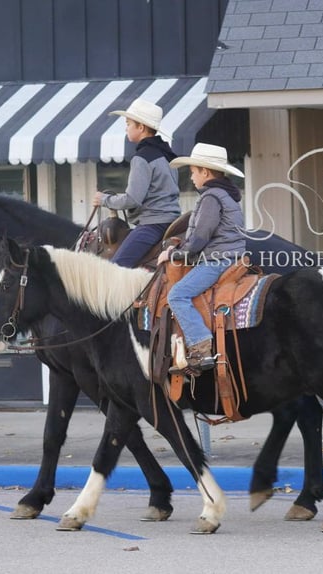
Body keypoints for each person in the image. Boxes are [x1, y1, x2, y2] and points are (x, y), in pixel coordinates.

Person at [157, 143, 246, 374]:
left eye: (194, 171)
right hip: (228, 257)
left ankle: (201, 347)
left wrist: (174, 254)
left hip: (217, 260)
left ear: (205, 172)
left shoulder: (211, 197)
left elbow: (199, 237)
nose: (192, 176)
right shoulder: (224, 195)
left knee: (177, 294)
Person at [92, 98, 181, 268]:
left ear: (141, 127)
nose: (126, 128)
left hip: (153, 224)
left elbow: (133, 199)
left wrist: (104, 199)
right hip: (173, 221)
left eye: (128, 123)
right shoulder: (167, 155)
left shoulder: (142, 158)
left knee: (115, 269)